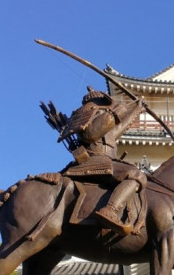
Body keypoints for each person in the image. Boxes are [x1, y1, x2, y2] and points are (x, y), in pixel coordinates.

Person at [57, 87, 147, 235]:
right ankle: (110, 209)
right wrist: (117, 112)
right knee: (137, 175)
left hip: (106, 159)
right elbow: (90, 134)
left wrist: (136, 109)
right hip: (94, 159)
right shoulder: (87, 112)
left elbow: (116, 130)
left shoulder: (103, 115)